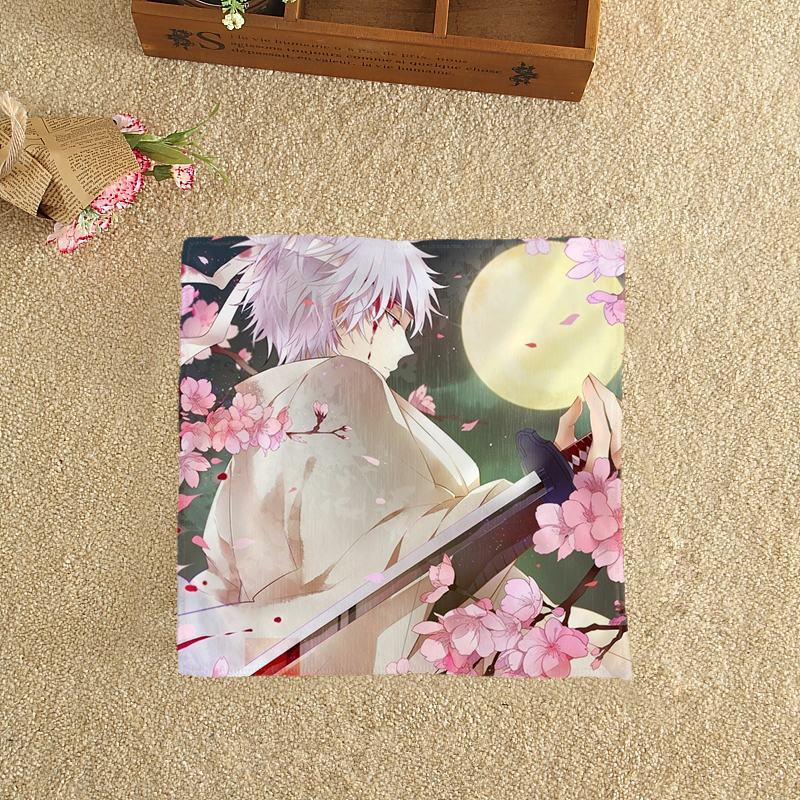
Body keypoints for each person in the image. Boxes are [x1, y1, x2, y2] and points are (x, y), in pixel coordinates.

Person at [178, 235, 627, 676]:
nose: (407, 347)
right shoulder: (340, 382)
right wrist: (547, 492)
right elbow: (391, 564)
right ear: (344, 310)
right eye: (396, 320)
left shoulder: (269, 411)